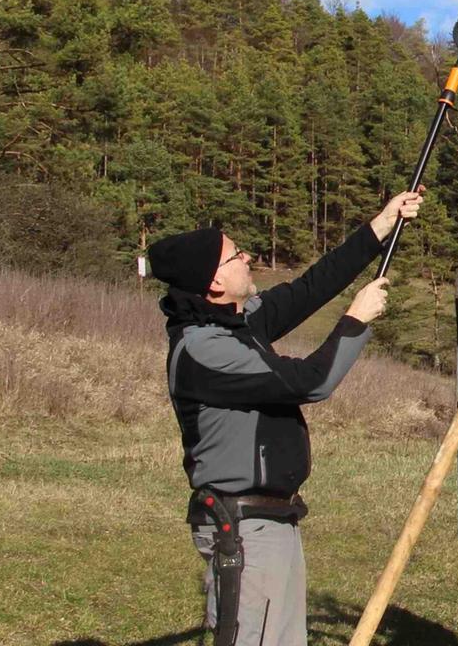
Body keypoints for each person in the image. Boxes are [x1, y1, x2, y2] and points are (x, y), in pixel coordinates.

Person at [147, 189, 423, 646]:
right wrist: (355, 321)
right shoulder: (205, 350)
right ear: (213, 283)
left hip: (270, 521)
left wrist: (381, 226)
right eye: (236, 255)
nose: (248, 256)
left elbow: (310, 288)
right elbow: (311, 382)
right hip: (243, 529)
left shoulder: (234, 324)